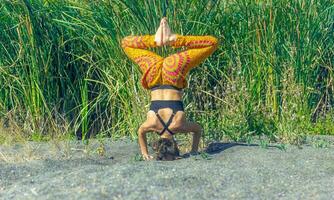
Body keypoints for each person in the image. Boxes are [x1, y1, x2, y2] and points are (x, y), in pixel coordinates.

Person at [121, 17, 218, 160]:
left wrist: (193, 151)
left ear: (175, 145)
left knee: (211, 43)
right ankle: (155, 40)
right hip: (153, 71)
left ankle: (173, 39)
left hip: (173, 69)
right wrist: (144, 153)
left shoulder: (179, 126)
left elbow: (197, 130)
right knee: (126, 43)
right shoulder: (151, 124)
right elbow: (140, 131)